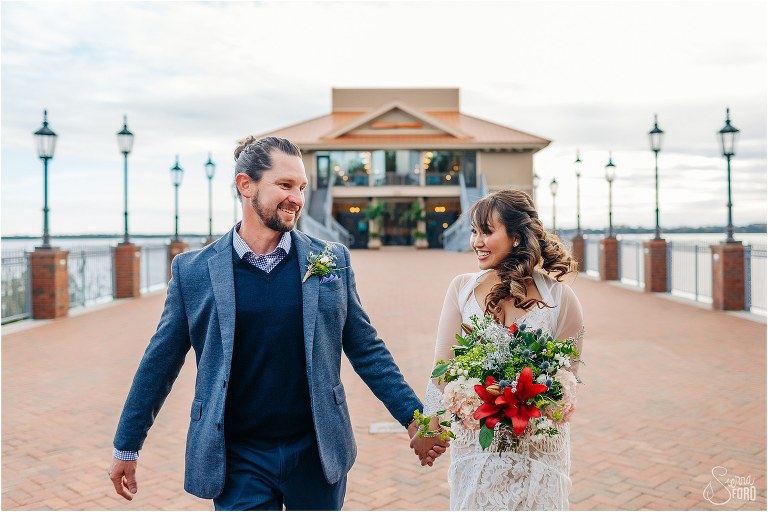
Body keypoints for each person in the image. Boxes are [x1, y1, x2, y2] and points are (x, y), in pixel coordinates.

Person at [108, 136, 447, 510]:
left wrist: (415, 419)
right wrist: (127, 443)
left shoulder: (331, 260)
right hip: (238, 459)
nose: (298, 199)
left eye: (301, 188)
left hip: (317, 451)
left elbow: (367, 349)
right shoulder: (194, 272)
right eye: (285, 185)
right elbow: (160, 363)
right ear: (245, 185)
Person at [422, 189, 584, 510]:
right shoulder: (462, 289)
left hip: (537, 449)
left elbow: (567, 380)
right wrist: (431, 424)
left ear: (516, 237)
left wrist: (531, 403)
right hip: (477, 448)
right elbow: (443, 367)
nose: (476, 242)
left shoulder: (561, 299)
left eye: (487, 231)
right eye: (474, 231)